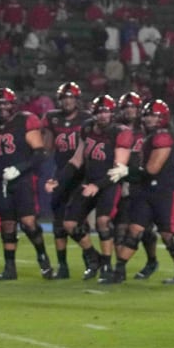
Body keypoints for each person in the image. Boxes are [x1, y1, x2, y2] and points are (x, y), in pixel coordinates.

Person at [0, 88, 56, 281]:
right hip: (2, 181)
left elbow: (40, 152)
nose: (3, 108)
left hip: (23, 179)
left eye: (6, 103)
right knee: (7, 225)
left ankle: (43, 259)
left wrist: (20, 168)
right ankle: (9, 267)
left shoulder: (25, 120)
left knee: (28, 223)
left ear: (13, 104)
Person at [45, 95, 132, 283]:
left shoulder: (120, 132)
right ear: (93, 113)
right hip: (89, 182)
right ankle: (94, 257)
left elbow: (120, 169)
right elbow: (76, 160)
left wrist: (98, 185)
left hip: (108, 184)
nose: (103, 115)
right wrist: (57, 180)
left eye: (107, 111)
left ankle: (108, 267)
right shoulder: (86, 129)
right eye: (100, 111)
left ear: (113, 113)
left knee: (102, 221)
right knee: (69, 224)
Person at [110, 100, 174, 284]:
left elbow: (153, 169)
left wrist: (127, 172)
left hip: (165, 192)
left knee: (168, 235)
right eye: (147, 115)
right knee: (134, 230)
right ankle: (118, 271)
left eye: (154, 115)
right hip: (147, 191)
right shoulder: (150, 136)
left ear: (163, 117)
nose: (149, 119)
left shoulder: (162, 136)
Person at [41, 81, 99, 279]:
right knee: (58, 223)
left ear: (77, 99)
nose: (67, 101)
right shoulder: (52, 118)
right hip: (61, 173)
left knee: (77, 221)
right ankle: (63, 266)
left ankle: (91, 261)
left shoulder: (88, 119)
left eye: (71, 97)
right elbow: (47, 147)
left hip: (81, 174)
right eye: (65, 98)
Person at [112, 92, 161, 280]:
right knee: (120, 227)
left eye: (133, 107)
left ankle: (151, 261)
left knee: (145, 229)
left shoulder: (149, 129)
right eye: (126, 107)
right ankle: (119, 268)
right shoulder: (116, 129)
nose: (130, 110)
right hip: (122, 181)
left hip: (144, 181)